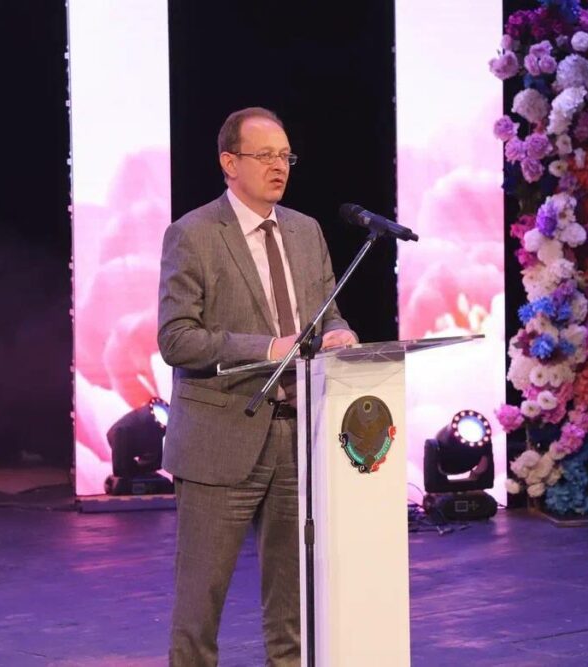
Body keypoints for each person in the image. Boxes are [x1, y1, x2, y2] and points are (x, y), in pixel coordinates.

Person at [157, 107, 357, 666]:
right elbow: (176, 339)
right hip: (220, 437)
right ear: (229, 162)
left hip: (297, 439)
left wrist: (339, 332)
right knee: (200, 608)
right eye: (264, 155)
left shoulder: (305, 230)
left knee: (292, 607)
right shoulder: (194, 234)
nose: (279, 166)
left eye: (285, 155)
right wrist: (267, 348)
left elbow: (327, 313)